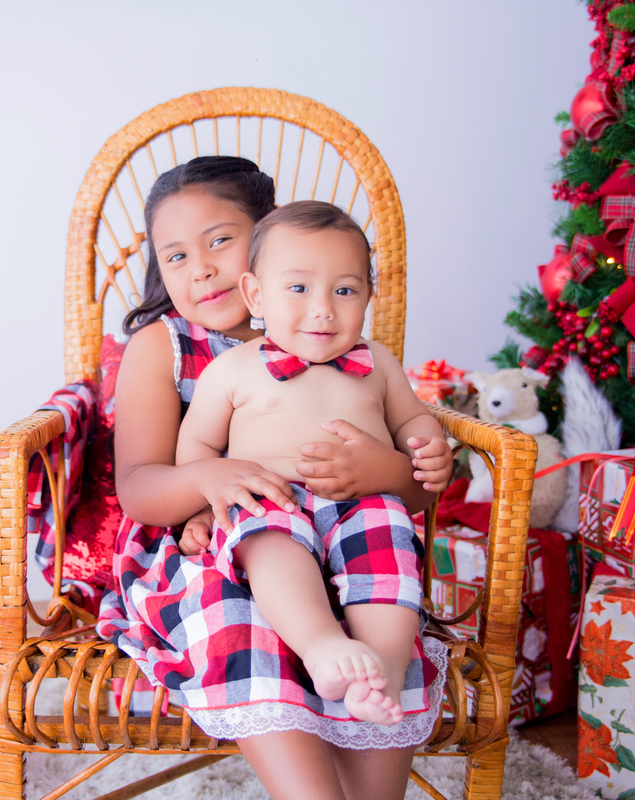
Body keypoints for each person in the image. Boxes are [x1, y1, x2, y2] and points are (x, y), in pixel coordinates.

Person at [94, 156, 452, 800]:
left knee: (382, 581)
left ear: (269, 239)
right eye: (174, 256)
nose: (199, 267)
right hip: (201, 547)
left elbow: (414, 495)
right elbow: (141, 490)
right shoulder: (166, 345)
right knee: (245, 614)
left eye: (219, 241)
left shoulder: (349, 348)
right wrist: (212, 480)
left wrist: (391, 468)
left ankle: (376, 718)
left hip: (345, 532)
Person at [175, 199, 445, 728]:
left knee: (388, 542)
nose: (323, 308)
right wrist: (204, 510)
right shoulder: (232, 370)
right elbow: (198, 451)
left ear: (369, 294)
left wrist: (427, 444)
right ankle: (322, 646)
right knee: (268, 540)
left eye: (344, 290)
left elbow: (413, 418)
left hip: (362, 500)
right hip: (270, 498)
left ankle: (383, 670)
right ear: (255, 294)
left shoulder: (379, 363)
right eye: (298, 288)